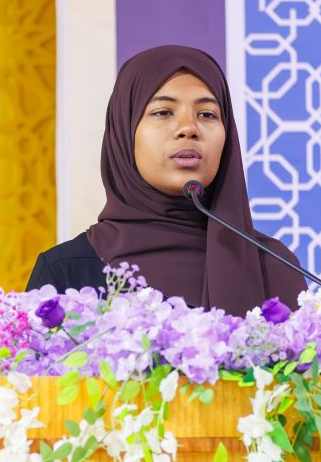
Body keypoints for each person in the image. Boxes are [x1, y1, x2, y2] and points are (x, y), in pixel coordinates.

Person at [27, 44, 306, 316]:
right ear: (124, 133)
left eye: (207, 114)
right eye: (163, 112)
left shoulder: (274, 266)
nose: (188, 128)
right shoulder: (66, 272)